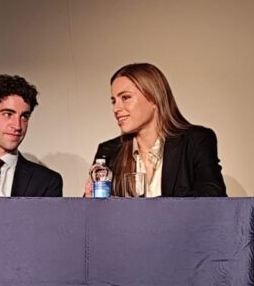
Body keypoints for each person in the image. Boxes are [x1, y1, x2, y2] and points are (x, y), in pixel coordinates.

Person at [90, 63, 226, 197]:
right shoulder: (108, 152)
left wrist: (155, 209)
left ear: (154, 98)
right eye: (114, 101)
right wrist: (89, 202)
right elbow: (93, 215)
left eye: (125, 97)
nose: (116, 109)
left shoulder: (195, 141)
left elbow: (213, 197)